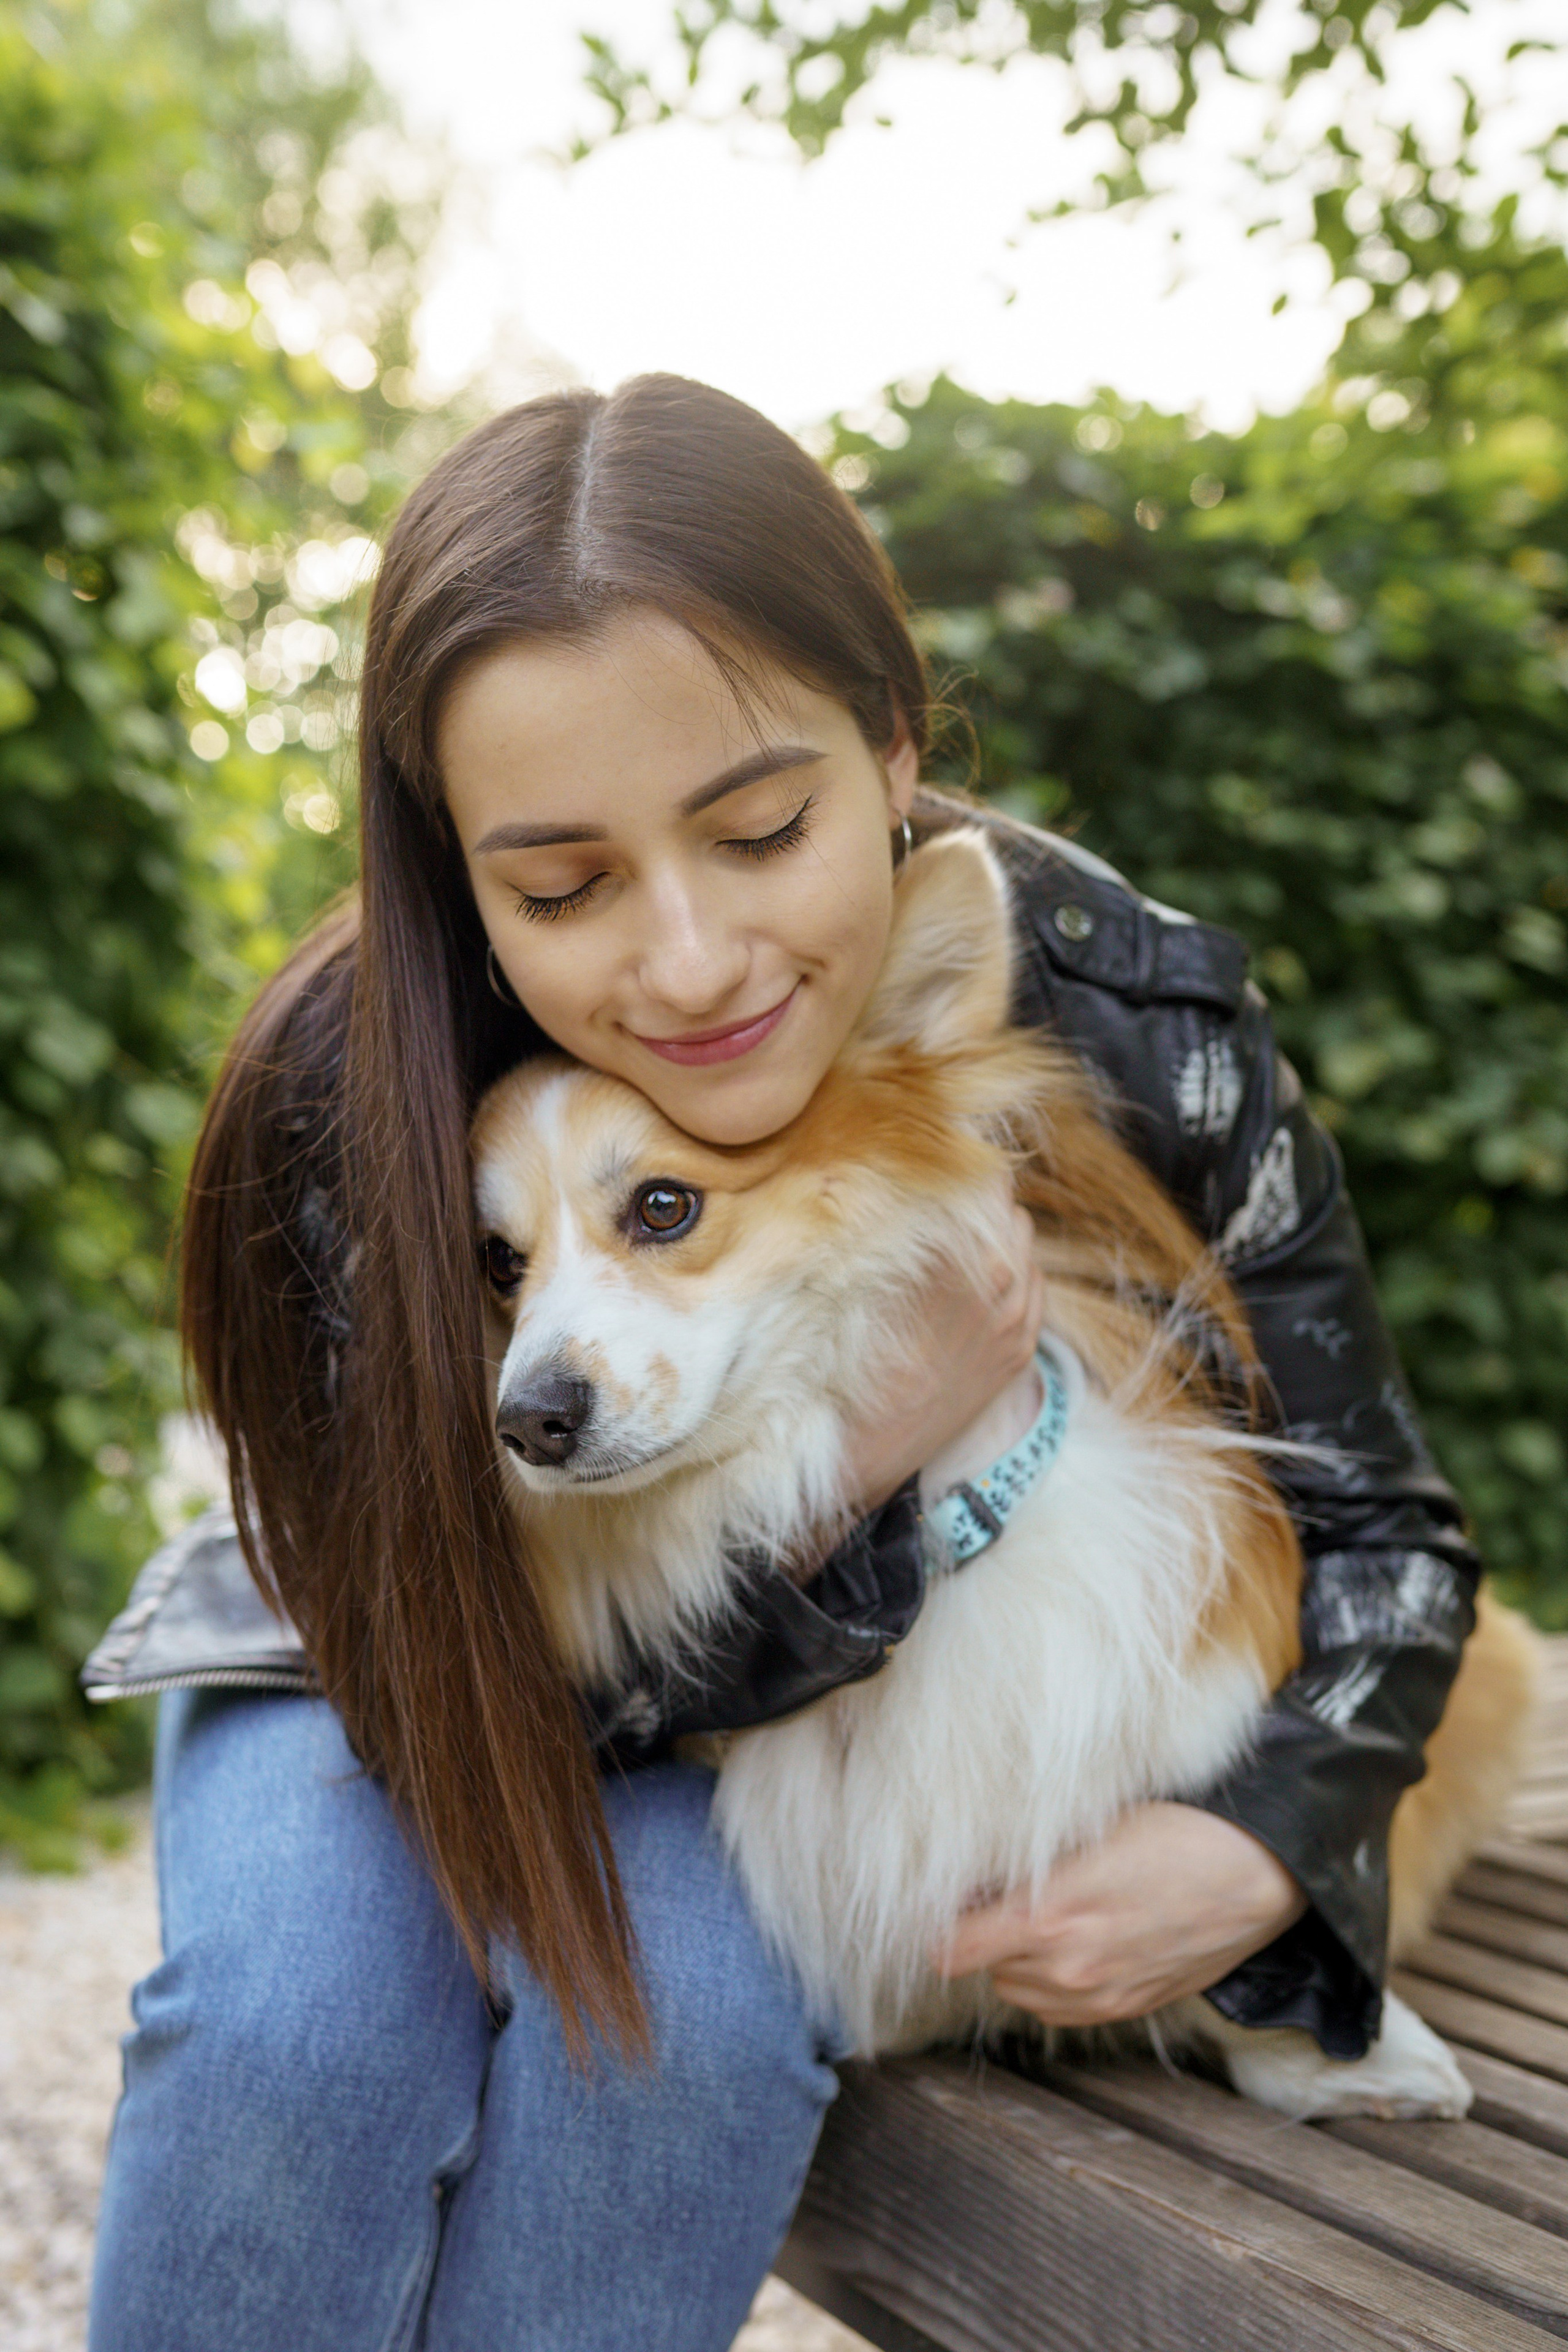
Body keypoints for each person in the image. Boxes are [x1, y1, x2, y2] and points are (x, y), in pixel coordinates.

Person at [86, 375, 1480, 2352]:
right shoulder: (349, 1092)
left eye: (759, 829)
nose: (688, 963)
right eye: (559, 886)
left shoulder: (1129, 1001)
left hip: (723, 1709)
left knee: (678, 2048)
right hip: (372, 1659)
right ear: (455, 863)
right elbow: (440, 1646)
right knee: (302, 2037)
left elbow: (1380, 1517)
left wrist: (1268, 1843)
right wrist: (862, 1469)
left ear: (895, 750)